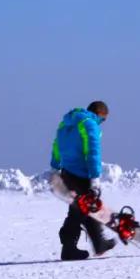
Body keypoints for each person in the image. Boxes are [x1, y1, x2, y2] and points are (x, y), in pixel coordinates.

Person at [49, 101, 116, 260]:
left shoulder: (65, 123)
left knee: (86, 209)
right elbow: (93, 153)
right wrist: (94, 178)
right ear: (99, 114)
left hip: (67, 173)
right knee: (78, 212)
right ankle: (69, 248)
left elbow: (57, 146)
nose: (102, 123)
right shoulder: (90, 125)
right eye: (103, 120)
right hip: (82, 175)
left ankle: (99, 243)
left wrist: (55, 166)